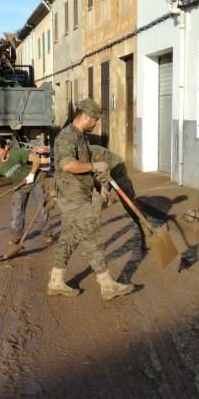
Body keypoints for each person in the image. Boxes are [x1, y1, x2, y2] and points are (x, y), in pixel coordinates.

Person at [47, 98, 134, 300]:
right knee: (92, 238)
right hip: (72, 197)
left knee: (68, 238)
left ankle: (56, 281)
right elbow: (68, 165)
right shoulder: (67, 137)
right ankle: (107, 285)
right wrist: (95, 167)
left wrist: (100, 186)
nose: (96, 124)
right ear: (85, 116)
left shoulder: (81, 137)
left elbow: (85, 167)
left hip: (79, 194)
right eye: (94, 120)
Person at [0, 136, 53, 245]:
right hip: (19, 185)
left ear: (6, 147)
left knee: (41, 209)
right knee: (17, 211)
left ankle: (47, 233)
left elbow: (36, 159)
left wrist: (31, 175)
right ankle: (16, 235)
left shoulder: (17, 153)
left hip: (35, 181)